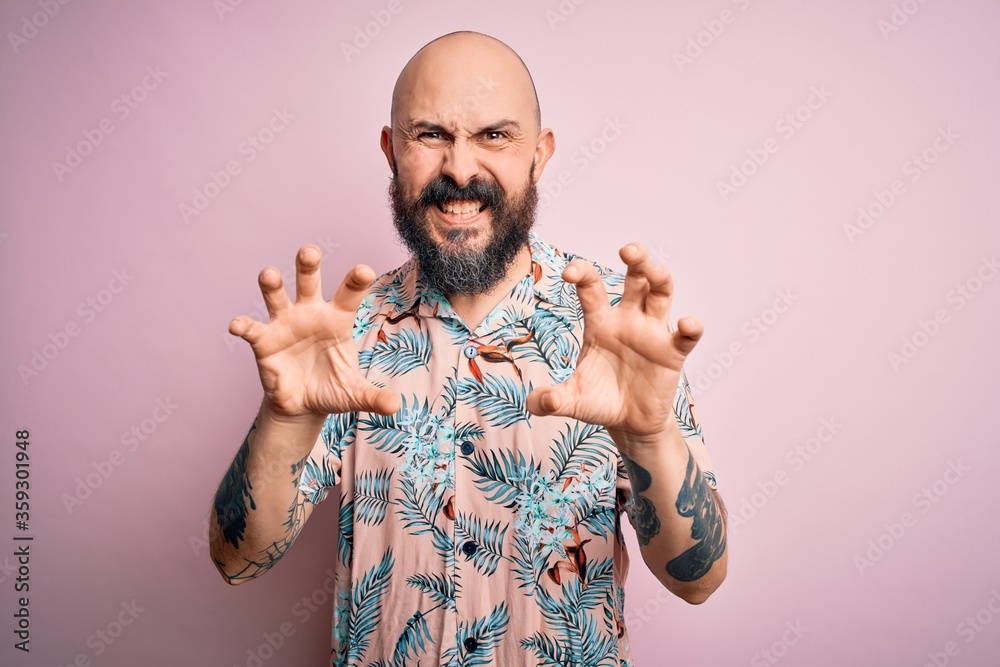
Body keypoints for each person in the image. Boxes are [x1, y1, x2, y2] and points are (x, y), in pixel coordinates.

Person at [209, 30, 727, 666]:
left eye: (494, 136)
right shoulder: (340, 337)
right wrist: (284, 421)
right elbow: (237, 560)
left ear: (540, 155)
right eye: (430, 134)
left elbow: (697, 580)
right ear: (391, 151)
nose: (459, 169)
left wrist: (647, 438)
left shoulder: (619, 332)